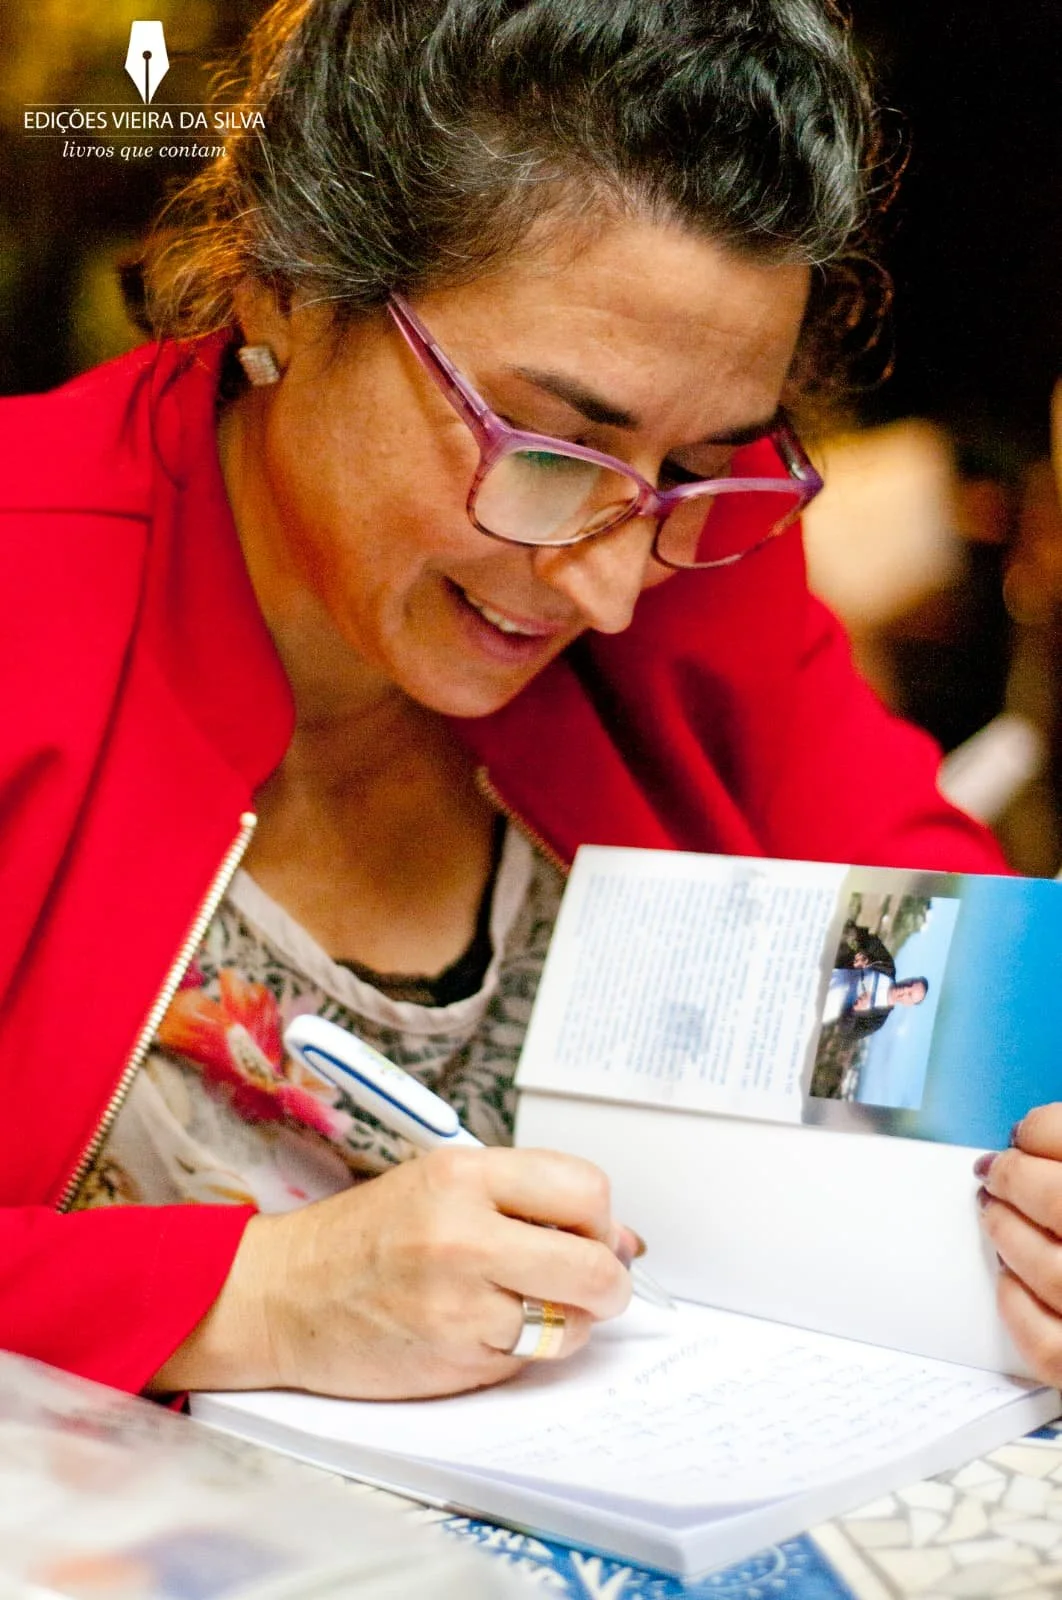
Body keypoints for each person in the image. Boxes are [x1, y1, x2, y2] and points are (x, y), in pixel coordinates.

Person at [0, 0, 1035, 1405]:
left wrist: (1025, 1174)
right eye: (550, 447)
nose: (607, 588)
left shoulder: (689, 564)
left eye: (701, 463)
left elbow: (948, 972)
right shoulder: (31, 573)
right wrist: (251, 1297)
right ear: (285, 288)